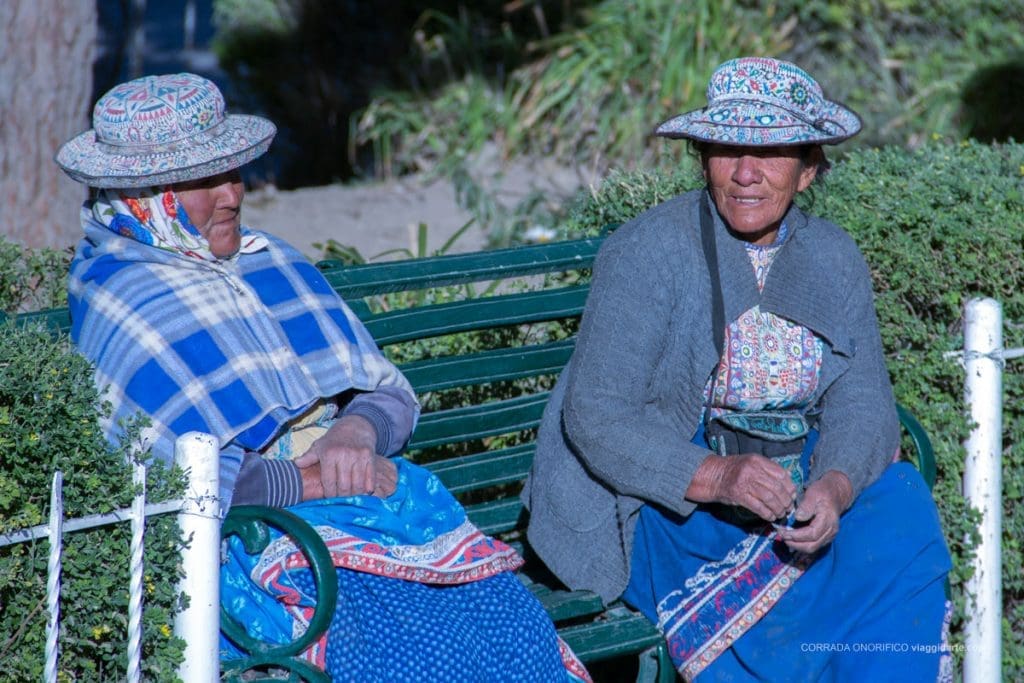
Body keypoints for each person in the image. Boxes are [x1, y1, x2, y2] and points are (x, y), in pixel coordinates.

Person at [56, 72, 590, 682]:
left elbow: (384, 389)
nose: (234, 193)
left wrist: (356, 434)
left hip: (367, 493)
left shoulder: (267, 259)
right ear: (148, 195)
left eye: (234, 172)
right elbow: (170, 475)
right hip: (255, 534)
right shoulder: (121, 298)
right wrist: (310, 483)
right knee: (406, 653)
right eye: (207, 181)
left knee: (505, 622)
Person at [522, 57, 952, 682]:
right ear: (702, 158)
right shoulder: (648, 252)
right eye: (726, 150)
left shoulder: (832, 256)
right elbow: (596, 415)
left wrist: (834, 488)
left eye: (773, 154)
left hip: (793, 480)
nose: (746, 174)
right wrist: (719, 475)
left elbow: (863, 401)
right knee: (785, 599)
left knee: (901, 508)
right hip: (666, 498)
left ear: (809, 170)